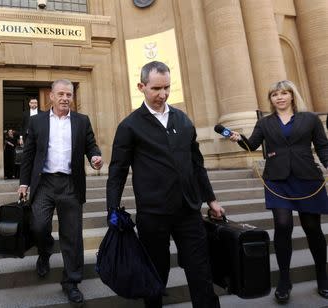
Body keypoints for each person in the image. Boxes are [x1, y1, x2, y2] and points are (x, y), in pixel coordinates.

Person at [106, 61, 224, 308]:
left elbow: (197, 164)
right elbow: (117, 171)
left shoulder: (183, 120)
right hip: (153, 214)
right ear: (142, 86)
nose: (163, 94)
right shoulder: (129, 125)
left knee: (201, 273)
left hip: (189, 211)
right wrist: (112, 209)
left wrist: (211, 199)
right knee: (155, 276)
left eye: (167, 88)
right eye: (156, 88)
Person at [228, 80, 328, 302]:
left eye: (284, 93)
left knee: (312, 228)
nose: (280, 97)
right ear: (270, 99)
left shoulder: (310, 119)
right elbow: (251, 145)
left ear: (292, 96)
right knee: (282, 226)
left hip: (307, 178)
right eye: (275, 94)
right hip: (277, 180)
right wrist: (238, 139)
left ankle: (323, 276)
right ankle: (284, 280)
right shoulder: (265, 123)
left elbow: (322, 145)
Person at [18, 79, 103, 305]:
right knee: (38, 225)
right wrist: (23, 183)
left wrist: (95, 157)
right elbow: (28, 155)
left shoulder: (82, 121)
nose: (65, 98)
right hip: (44, 183)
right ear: (51, 97)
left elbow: (91, 145)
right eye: (61, 94)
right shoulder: (37, 122)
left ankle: (71, 282)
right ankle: (45, 250)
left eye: (69, 94)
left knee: (72, 235)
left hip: (70, 184)